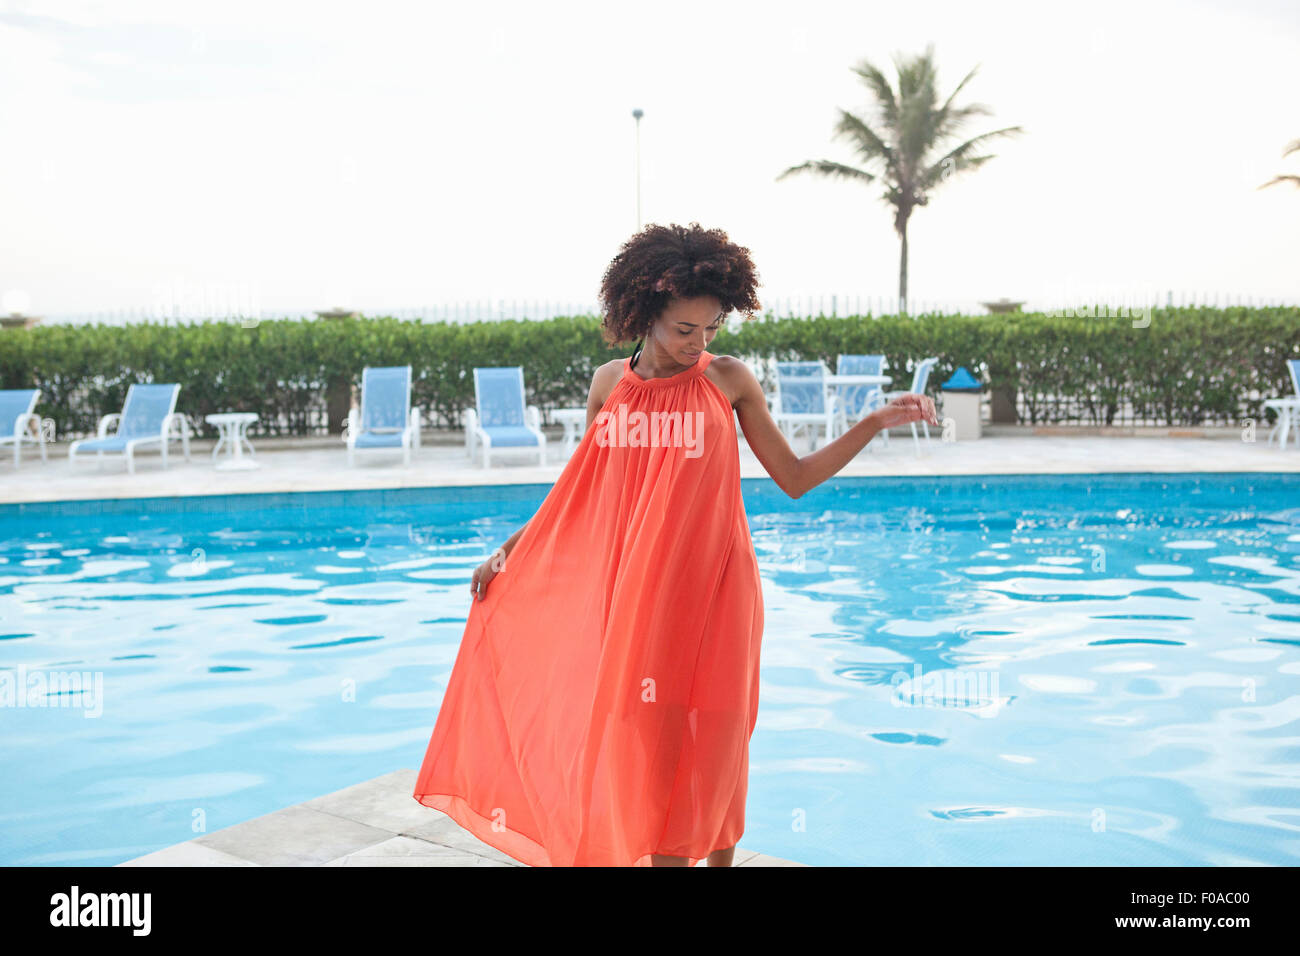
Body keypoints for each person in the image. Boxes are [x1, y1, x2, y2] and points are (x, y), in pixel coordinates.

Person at [412, 221, 938, 867]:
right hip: (638, 593)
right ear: (645, 314)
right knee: (648, 736)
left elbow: (796, 478)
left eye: (712, 327)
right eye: (686, 328)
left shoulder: (729, 380)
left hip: (716, 587)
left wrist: (874, 422)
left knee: (718, 736)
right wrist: (511, 550)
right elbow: (580, 487)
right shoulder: (610, 384)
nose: (700, 342)